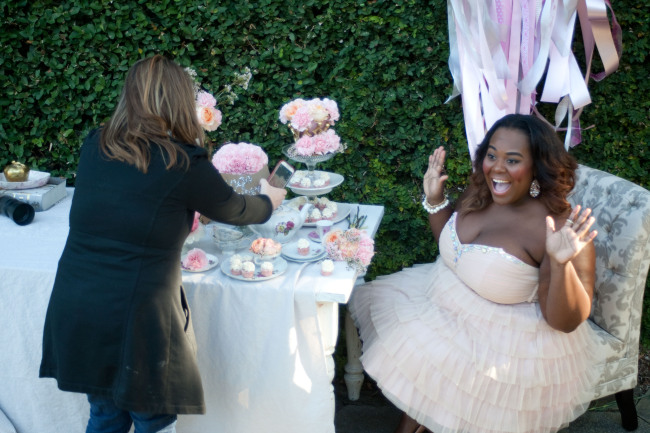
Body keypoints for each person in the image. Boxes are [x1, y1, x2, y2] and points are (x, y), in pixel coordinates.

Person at [39, 55, 286, 433]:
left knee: (105, 414)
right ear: (179, 100)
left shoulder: (97, 145)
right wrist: (271, 199)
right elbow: (238, 210)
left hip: (79, 302)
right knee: (151, 419)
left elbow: (134, 206)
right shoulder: (184, 162)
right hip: (139, 317)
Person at [349, 113, 600, 433]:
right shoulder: (482, 191)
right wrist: (435, 200)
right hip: (443, 300)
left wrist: (563, 263)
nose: (496, 167)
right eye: (492, 155)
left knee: (441, 366)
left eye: (512, 160)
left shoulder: (556, 227)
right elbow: (454, 249)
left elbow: (564, 321)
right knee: (427, 357)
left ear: (538, 166)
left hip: (505, 338)